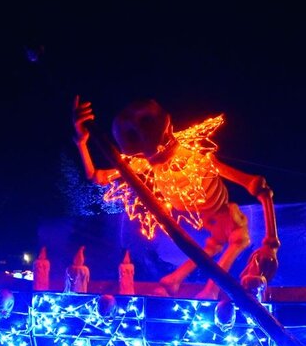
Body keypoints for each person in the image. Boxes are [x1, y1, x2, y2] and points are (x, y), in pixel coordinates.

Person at [72, 96, 279, 298]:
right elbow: (97, 177)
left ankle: (209, 289)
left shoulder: (197, 158)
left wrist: (271, 243)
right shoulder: (145, 164)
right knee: (215, 243)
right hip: (198, 214)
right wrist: (81, 142)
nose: (153, 148)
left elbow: (257, 185)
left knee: (236, 238)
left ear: (169, 127)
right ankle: (180, 282)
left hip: (218, 208)